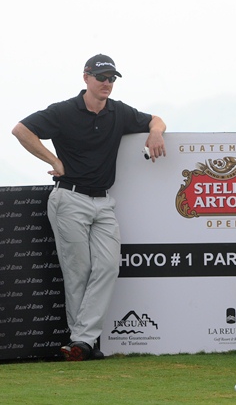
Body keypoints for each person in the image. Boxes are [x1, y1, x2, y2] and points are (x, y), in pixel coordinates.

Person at [12, 54, 166, 361]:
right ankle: (84, 342)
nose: (107, 84)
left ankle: (81, 341)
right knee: (78, 272)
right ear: (86, 77)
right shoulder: (63, 111)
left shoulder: (118, 112)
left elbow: (155, 119)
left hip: (103, 202)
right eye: (101, 78)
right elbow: (20, 130)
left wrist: (156, 132)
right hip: (69, 199)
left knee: (108, 266)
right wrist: (54, 161)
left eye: (112, 79)